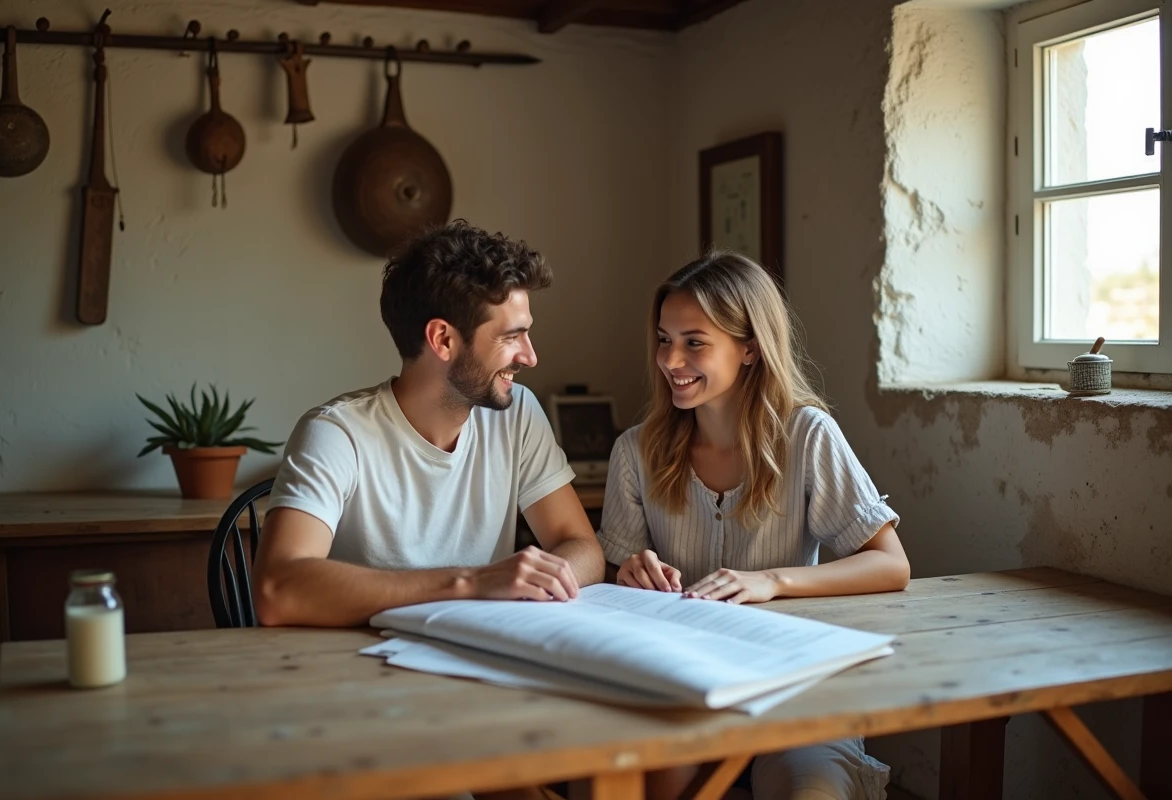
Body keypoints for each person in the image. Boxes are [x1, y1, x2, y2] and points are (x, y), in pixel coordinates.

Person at [597, 250, 910, 800]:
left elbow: (891, 565)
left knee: (810, 792)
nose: (671, 359)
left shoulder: (807, 434)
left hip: (793, 687)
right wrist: (624, 573)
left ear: (750, 348)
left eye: (695, 342)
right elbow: (604, 585)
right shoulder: (635, 450)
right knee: (654, 787)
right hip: (681, 691)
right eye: (665, 339)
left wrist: (773, 581)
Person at [253, 221, 605, 629]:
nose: (530, 356)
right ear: (442, 339)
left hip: (477, 651)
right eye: (512, 336)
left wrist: (535, 582)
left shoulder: (517, 413)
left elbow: (583, 548)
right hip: (359, 659)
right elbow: (276, 591)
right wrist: (472, 583)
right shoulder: (336, 433)